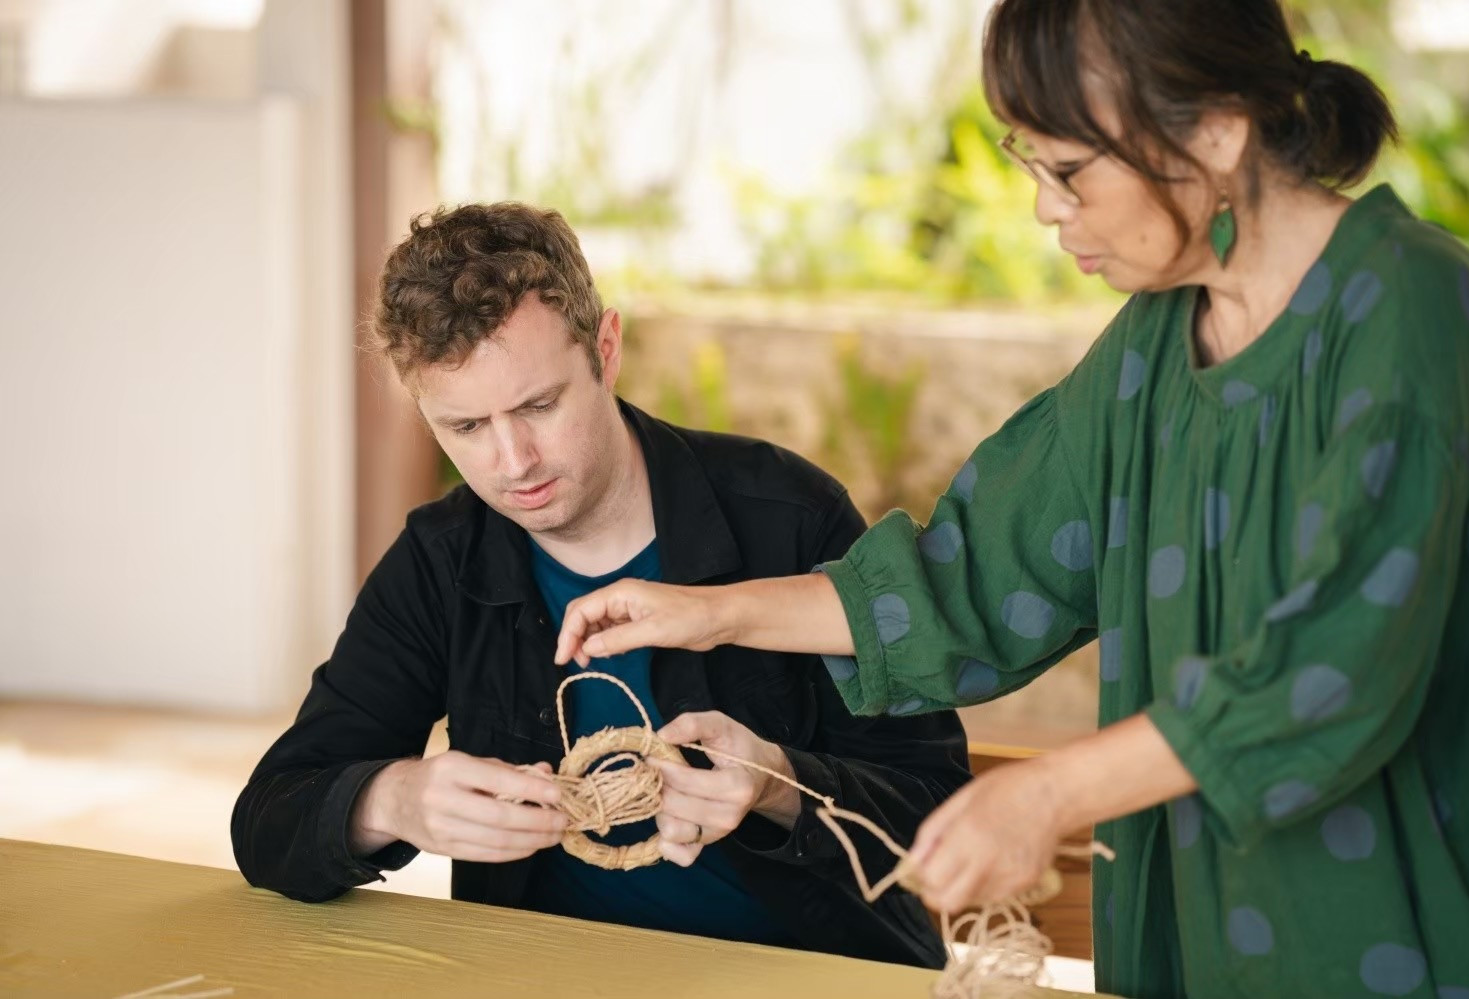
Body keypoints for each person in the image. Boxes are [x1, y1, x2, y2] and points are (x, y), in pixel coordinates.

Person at [552, 1, 1469, 995]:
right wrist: (711, 613)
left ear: (1219, 130)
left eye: (1070, 170)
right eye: (1031, 165)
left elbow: (1331, 666)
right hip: (1186, 933)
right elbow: (971, 576)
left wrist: (1045, 796)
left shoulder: (1412, 306)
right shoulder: (1155, 340)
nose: (1047, 209)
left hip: (1389, 930)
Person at [230, 202, 970, 967]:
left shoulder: (791, 517)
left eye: (539, 405)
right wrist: (390, 800)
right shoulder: (439, 560)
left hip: (810, 971)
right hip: (544, 975)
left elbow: (937, 806)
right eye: (466, 428)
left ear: (606, 350)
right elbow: (268, 821)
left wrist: (779, 786)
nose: (513, 461)